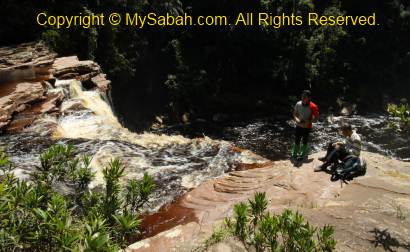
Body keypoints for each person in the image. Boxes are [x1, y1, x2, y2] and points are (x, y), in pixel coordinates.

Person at [291, 90, 319, 159]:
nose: (303, 98)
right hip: (299, 125)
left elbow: (316, 117)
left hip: (307, 126)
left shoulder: (313, 106)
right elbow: (294, 114)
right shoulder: (298, 104)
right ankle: (294, 153)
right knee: (297, 139)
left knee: (305, 140)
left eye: (305, 97)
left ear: (309, 98)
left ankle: (303, 153)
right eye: (302, 96)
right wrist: (296, 119)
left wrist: (309, 121)